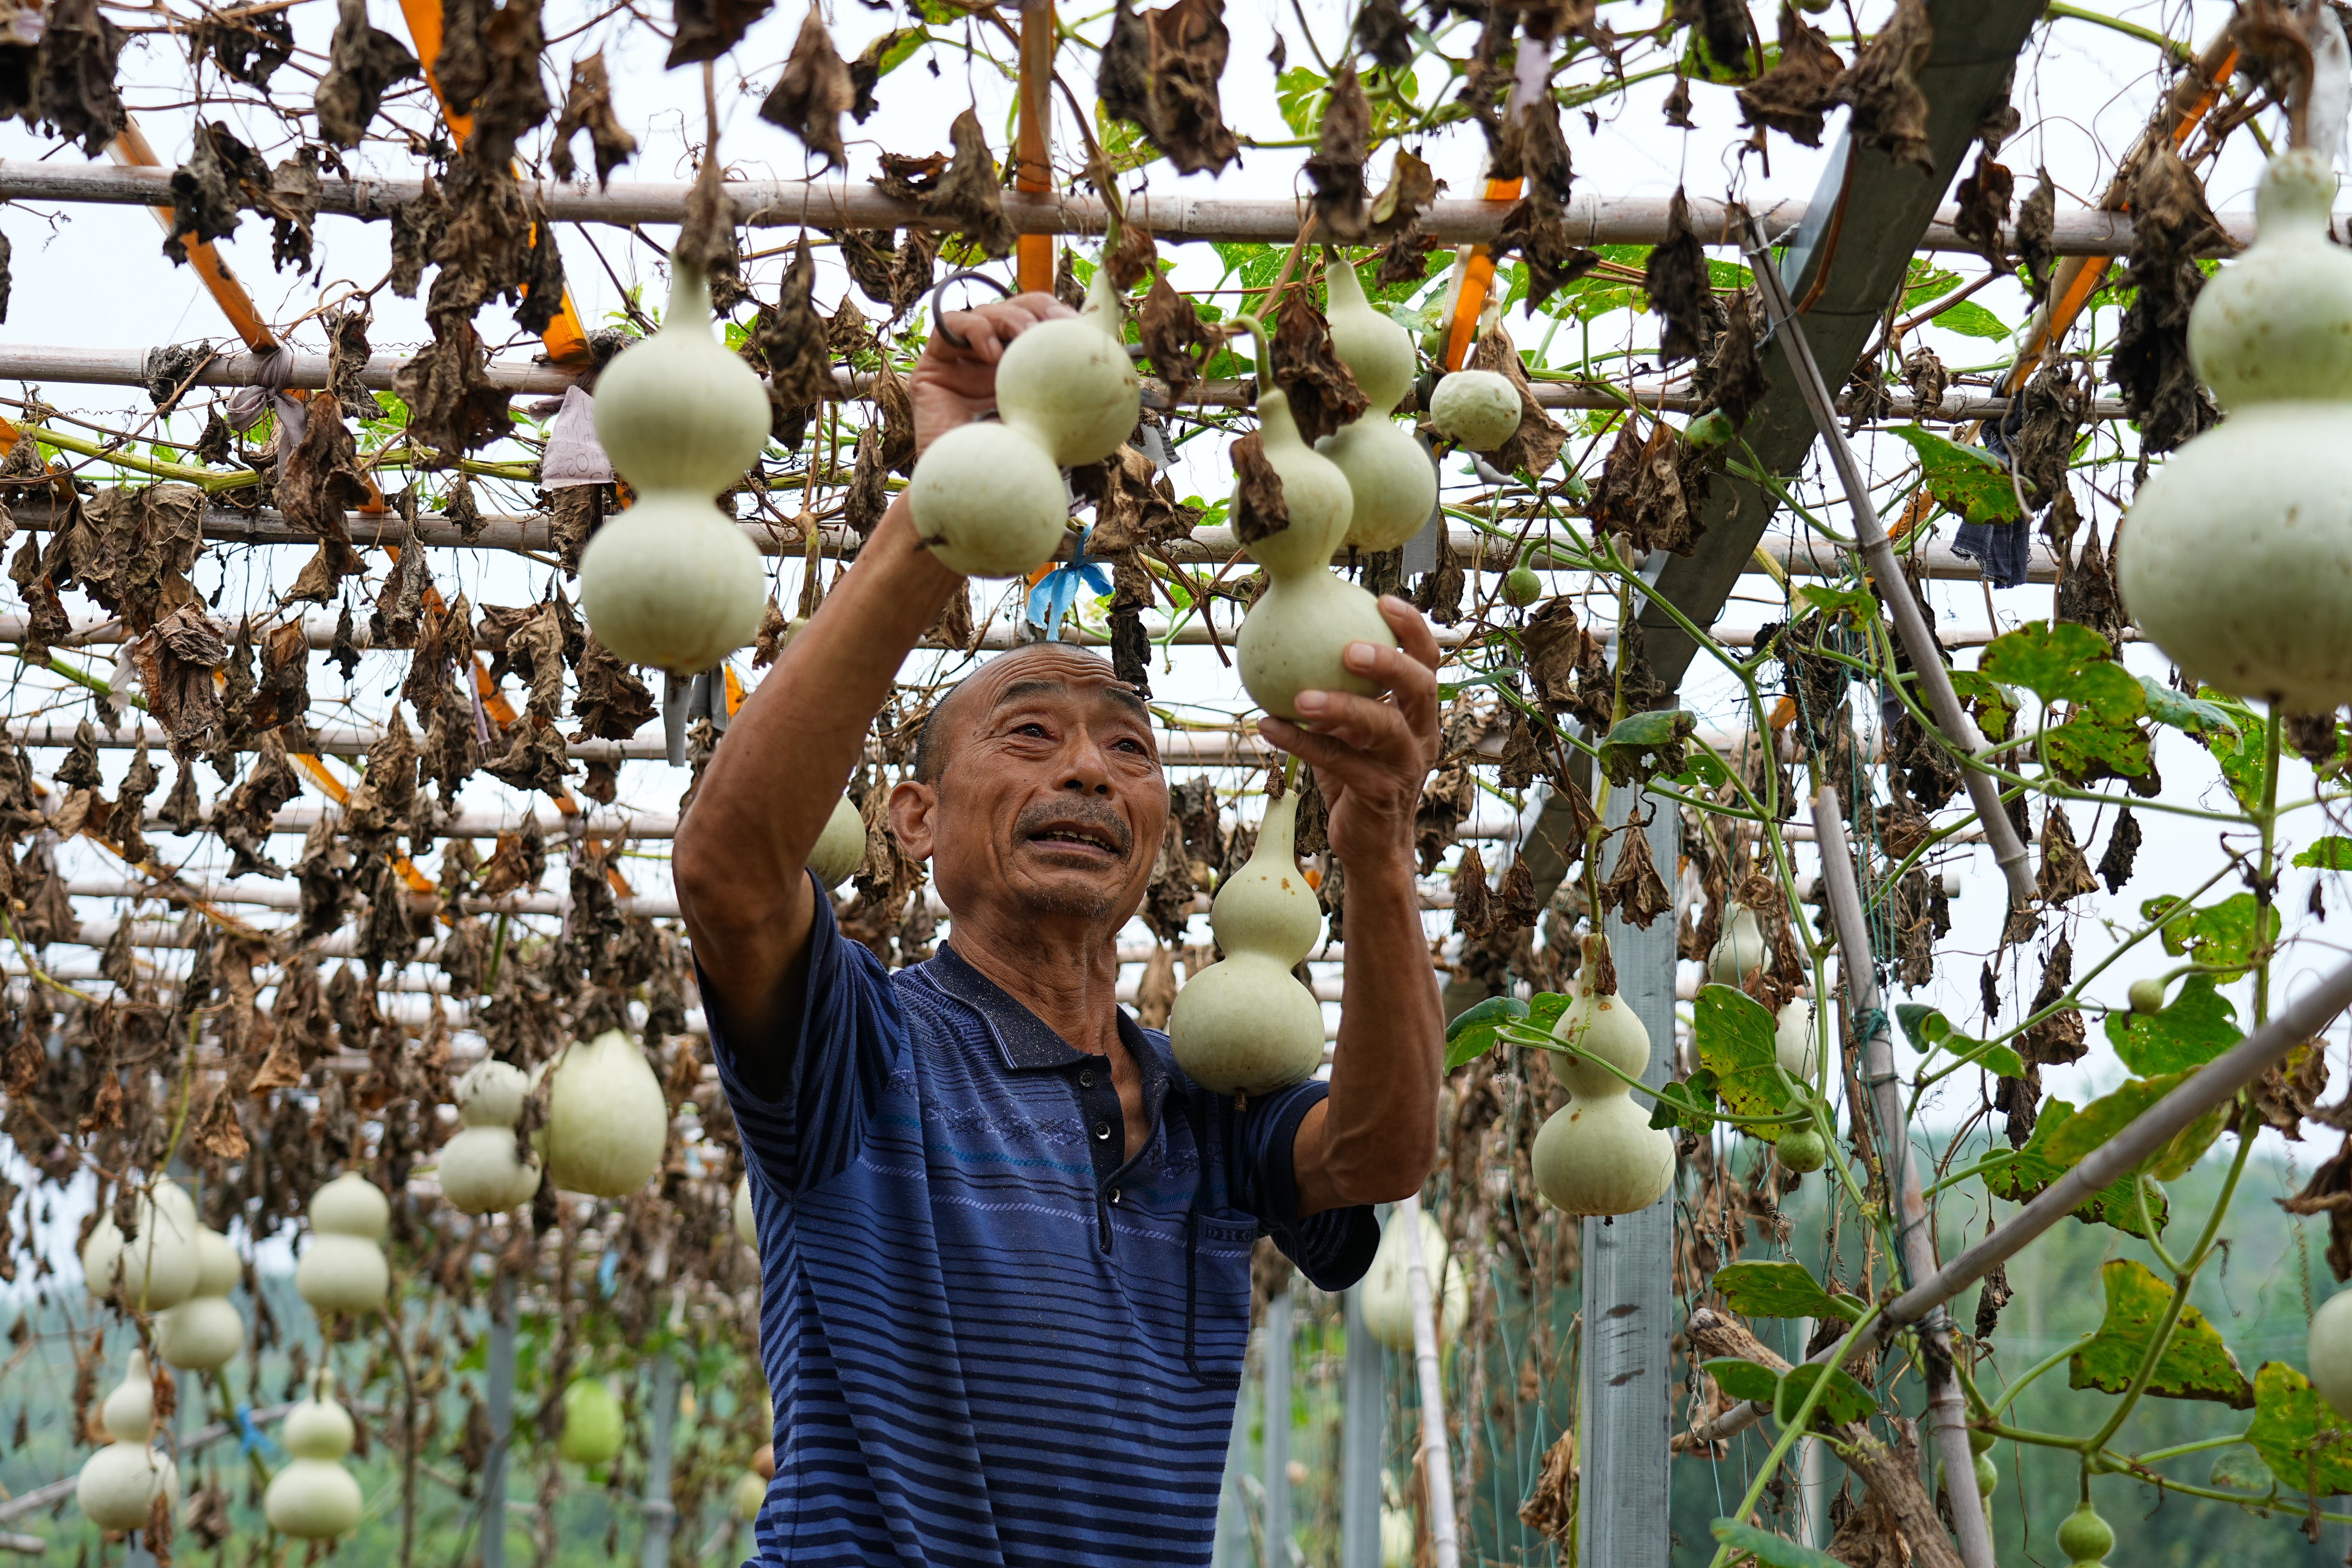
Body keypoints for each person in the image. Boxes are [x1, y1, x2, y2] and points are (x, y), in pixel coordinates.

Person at [675, 288, 1446, 1568]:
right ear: (914, 816)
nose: (1088, 769)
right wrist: (944, 505)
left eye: (1129, 750)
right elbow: (728, 872)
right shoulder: (858, 1054)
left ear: (1160, 831)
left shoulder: (1209, 1105)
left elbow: (1380, 1149)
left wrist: (1379, 840)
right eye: (1030, 733)